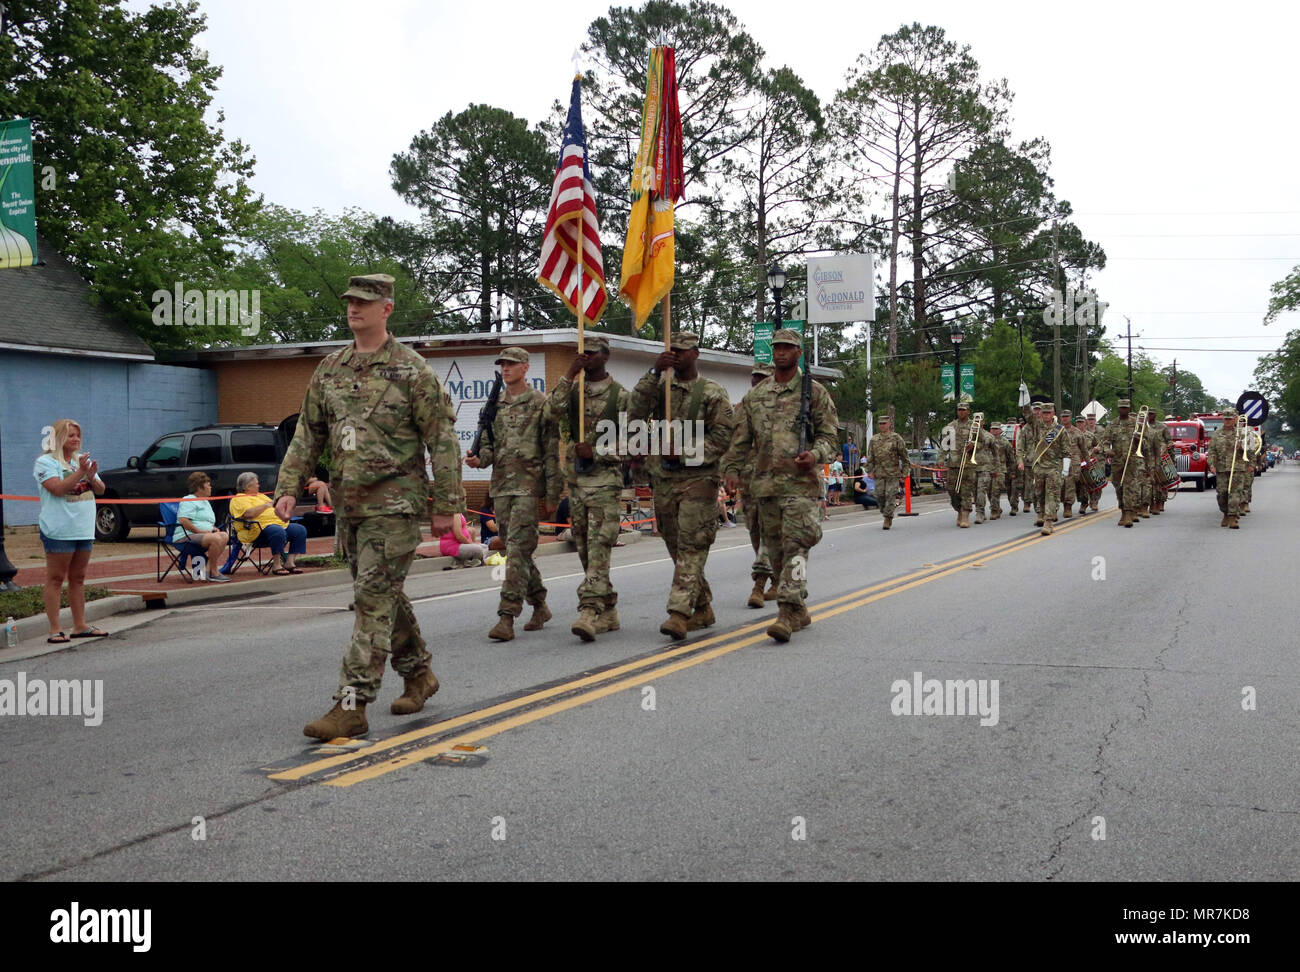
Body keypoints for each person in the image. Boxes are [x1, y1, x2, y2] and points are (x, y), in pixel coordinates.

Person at [275, 272, 464, 740]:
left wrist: (447, 504)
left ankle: (352, 704)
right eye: (350, 301)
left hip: (396, 506)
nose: (353, 308)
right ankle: (419, 673)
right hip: (350, 506)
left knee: (370, 601)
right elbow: (308, 433)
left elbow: (442, 441)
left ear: (387, 309)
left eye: (364, 301)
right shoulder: (330, 369)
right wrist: (287, 485)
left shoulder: (412, 370)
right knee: (383, 596)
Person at [723, 328, 838, 643]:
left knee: (796, 547)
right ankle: (799, 608)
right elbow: (741, 440)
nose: (781, 353)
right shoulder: (756, 397)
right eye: (777, 348)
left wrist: (815, 454)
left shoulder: (813, 393)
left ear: (799, 352)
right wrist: (731, 469)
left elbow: (830, 437)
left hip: (801, 487)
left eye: (787, 347)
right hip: (765, 487)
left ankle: (787, 612)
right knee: (775, 553)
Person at [628, 330, 735, 639]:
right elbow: (634, 413)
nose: (676, 355)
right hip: (663, 478)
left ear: (696, 353)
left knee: (692, 543)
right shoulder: (659, 388)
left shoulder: (713, 392)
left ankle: (678, 612)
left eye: (683, 350)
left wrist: (686, 451)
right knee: (675, 544)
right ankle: (702, 606)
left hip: (698, 479)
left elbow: (722, 438)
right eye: (672, 350)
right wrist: (654, 371)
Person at [465, 346, 559, 641]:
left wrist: (553, 494)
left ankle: (507, 616)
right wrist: (478, 459)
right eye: (502, 364)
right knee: (515, 549)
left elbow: (552, 452)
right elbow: (488, 449)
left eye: (511, 364)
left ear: (525, 368)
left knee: (517, 549)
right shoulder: (493, 406)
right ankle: (540, 604)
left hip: (529, 488)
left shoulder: (540, 403)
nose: (506, 369)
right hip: (502, 488)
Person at [548, 334, 629, 641]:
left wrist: (597, 452)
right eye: (583, 353)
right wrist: (568, 375)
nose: (587, 358)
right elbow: (550, 413)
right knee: (583, 548)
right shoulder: (573, 392)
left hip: (605, 485)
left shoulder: (621, 396)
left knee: (598, 549)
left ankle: (589, 610)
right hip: (577, 485)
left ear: (606, 357)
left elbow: (638, 442)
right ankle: (608, 610)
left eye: (592, 354)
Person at [33, 419, 108, 643]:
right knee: (56, 578)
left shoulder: (79, 461)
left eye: (77, 435)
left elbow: (101, 489)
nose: (75, 439)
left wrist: (91, 475)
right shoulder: (45, 462)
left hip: (83, 528)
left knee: (79, 578)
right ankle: (55, 629)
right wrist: (81, 473)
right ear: (58, 438)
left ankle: (80, 625)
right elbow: (57, 489)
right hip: (59, 529)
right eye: (70, 435)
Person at [738, 363, 776, 608]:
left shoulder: (780, 406)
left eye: (761, 377)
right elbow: (733, 440)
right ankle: (778, 579)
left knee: (768, 532)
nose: (756, 381)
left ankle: (759, 584)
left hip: (774, 481)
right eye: (754, 377)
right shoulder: (743, 406)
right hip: (748, 481)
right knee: (754, 531)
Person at [229, 472, 308, 575]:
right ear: (248, 487)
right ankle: (276, 565)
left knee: (300, 530)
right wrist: (265, 506)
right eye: (256, 483)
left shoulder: (261, 496)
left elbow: (274, 506)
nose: (259, 485)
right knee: (277, 531)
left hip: (277, 525)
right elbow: (249, 513)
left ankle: (289, 562)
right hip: (256, 531)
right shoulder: (238, 499)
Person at [940, 403, 993, 528]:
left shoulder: (974, 426)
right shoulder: (950, 426)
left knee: (966, 491)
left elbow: (983, 442)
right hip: (953, 464)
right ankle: (959, 509)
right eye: (959, 410)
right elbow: (944, 445)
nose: (961, 412)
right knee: (952, 490)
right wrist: (941, 458)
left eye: (964, 410)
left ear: (968, 412)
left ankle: (965, 515)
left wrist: (974, 446)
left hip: (968, 464)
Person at [1020, 401, 1069, 535]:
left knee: (1051, 495)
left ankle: (1048, 522)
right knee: (1039, 494)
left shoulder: (1060, 430)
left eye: (1048, 413)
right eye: (1044, 413)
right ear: (1041, 414)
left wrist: (1065, 469)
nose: (1046, 415)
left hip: (1054, 467)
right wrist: (1024, 400)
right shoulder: (1036, 426)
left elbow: (1066, 451)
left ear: (1053, 414)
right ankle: (1040, 513)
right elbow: (1027, 415)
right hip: (1039, 467)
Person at [174, 471, 230, 581]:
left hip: (203, 535)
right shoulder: (189, 500)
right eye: (208, 484)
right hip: (186, 535)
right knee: (216, 538)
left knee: (224, 535)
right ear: (199, 487)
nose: (210, 487)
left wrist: (212, 528)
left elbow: (206, 521)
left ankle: (208, 569)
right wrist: (200, 531)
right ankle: (213, 572)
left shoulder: (205, 501)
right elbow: (183, 520)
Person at [1101, 399, 1147, 528]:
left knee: (1129, 486)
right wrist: (1107, 450)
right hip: (1117, 461)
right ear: (1118, 409)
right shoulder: (1112, 424)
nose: (1123, 410)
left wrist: (1139, 441)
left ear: (1129, 408)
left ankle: (1128, 513)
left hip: (1131, 460)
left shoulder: (1136, 424)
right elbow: (1105, 441)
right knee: (1118, 487)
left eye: (1125, 408)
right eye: (1121, 408)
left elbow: (1146, 444)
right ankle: (1122, 510)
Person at [1206, 408, 1252, 528]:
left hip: (1237, 468)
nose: (1227, 421)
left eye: (1230, 419)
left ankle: (1233, 518)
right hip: (1221, 469)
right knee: (1222, 494)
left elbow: (1251, 450)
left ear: (1235, 419)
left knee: (1235, 494)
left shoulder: (1243, 433)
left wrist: (1242, 447)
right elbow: (1211, 451)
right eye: (1225, 419)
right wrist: (1211, 464)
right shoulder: (1217, 434)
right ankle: (1226, 513)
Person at [864, 415, 909, 529]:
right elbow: (870, 456)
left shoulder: (896, 438)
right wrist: (869, 470)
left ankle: (888, 518)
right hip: (879, 473)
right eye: (880, 424)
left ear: (889, 424)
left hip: (892, 473)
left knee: (890, 495)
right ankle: (886, 512)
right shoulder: (874, 439)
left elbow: (904, 457)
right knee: (879, 496)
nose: (882, 426)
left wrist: (904, 472)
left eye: (884, 423)